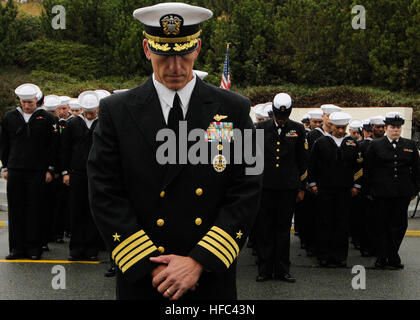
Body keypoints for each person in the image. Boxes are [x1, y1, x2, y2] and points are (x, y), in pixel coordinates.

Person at [87, 2, 262, 300]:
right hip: (145, 275)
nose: (175, 68)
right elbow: (104, 191)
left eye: (183, 54)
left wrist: (198, 261)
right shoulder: (116, 111)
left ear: (198, 48)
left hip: (208, 274)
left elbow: (247, 188)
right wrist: (151, 266)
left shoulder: (233, 108)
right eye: (164, 55)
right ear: (146, 48)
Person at [0, 84, 58, 260]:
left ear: (36, 100)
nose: (27, 106)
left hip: (37, 170)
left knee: (35, 209)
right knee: (16, 209)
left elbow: (53, 146)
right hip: (16, 169)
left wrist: (51, 168)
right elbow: (4, 144)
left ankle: (34, 248)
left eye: (30, 102)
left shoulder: (47, 118)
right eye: (24, 102)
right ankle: (16, 248)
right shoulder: (10, 117)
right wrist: (5, 166)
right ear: (19, 101)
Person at [254, 93, 307, 283]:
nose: (281, 119)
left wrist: (301, 187)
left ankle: (283, 270)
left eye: (284, 116)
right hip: (265, 187)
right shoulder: (260, 128)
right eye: (278, 115)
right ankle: (265, 269)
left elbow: (302, 161)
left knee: (283, 230)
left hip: (287, 188)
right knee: (264, 229)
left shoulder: (298, 129)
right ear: (273, 112)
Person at [365, 112, 420, 269]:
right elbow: (369, 169)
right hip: (381, 193)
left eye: (398, 128)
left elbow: (416, 169)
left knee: (399, 225)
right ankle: (381, 257)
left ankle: (393, 255)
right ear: (386, 128)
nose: (396, 130)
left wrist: (415, 188)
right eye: (392, 127)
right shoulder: (375, 145)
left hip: (402, 193)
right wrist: (368, 190)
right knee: (380, 225)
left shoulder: (409, 145)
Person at [308, 112, 362, 267]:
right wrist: (312, 183)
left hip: (345, 190)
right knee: (325, 222)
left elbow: (358, 167)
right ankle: (324, 255)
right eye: (337, 127)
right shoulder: (321, 142)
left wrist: (356, 185)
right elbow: (312, 164)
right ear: (331, 126)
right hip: (325, 189)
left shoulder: (352, 143)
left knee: (342, 223)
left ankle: (340, 256)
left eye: (343, 127)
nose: (340, 130)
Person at [61, 91, 102, 261]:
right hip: (76, 173)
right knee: (76, 211)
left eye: (92, 112)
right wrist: (65, 171)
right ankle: (76, 249)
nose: (89, 114)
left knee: (93, 212)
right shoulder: (73, 124)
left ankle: (92, 249)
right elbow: (64, 149)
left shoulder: (103, 124)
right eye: (87, 112)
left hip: (97, 174)